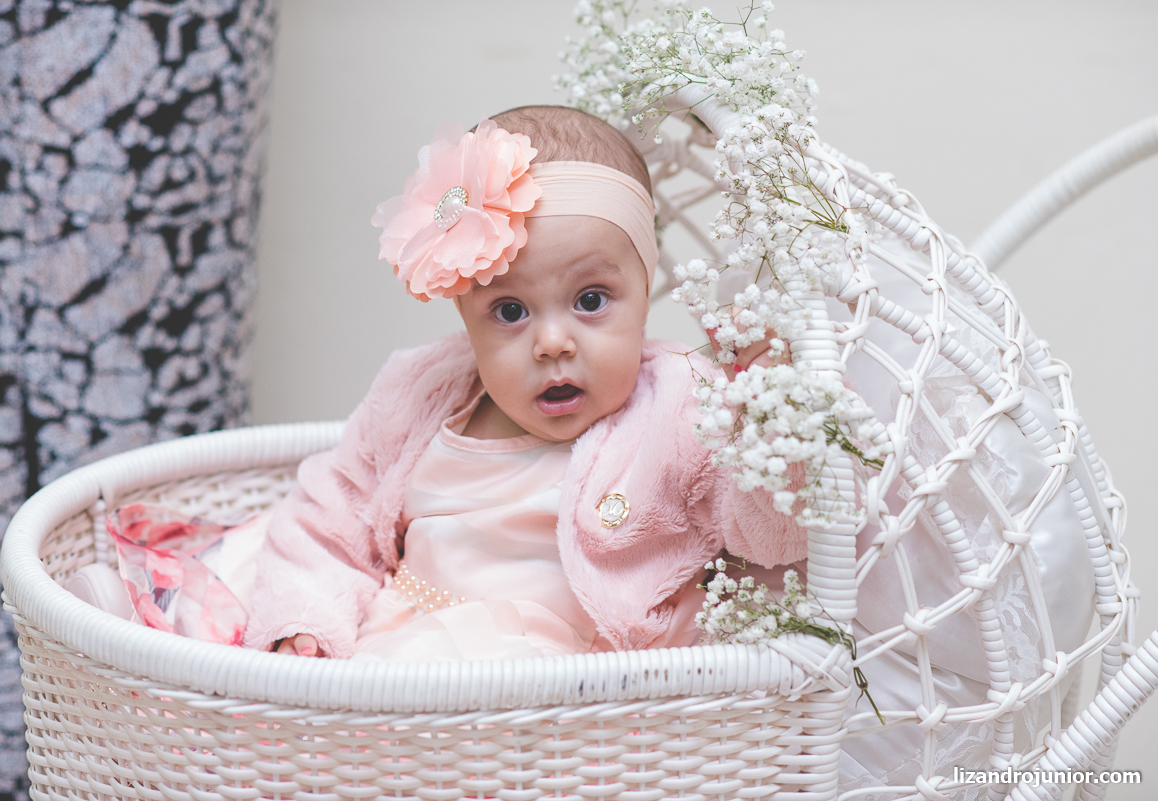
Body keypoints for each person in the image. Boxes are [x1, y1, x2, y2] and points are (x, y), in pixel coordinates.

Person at [242, 106, 804, 660]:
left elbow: (776, 539)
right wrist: (307, 620)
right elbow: (328, 525)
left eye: (590, 301)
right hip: (402, 657)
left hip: (579, 693)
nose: (552, 343)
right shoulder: (420, 393)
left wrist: (771, 421)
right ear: (465, 316)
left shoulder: (681, 405)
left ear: (645, 288)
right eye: (510, 311)